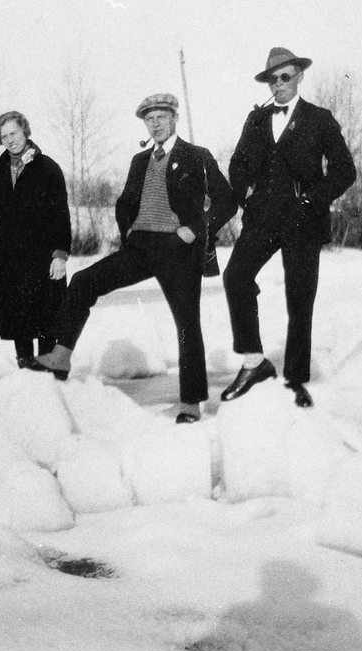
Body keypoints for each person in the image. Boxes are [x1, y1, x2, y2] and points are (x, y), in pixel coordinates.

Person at [26, 93, 236, 424]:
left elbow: (226, 201)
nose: (155, 125)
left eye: (161, 118)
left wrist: (194, 229)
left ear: (174, 119)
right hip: (140, 248)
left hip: (178, 250)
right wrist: (129, 234)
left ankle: (191, 402)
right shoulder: (140, 161)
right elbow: (125, 202)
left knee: (186, 323)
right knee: (84, 281)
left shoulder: (196, 156)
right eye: (149, 120)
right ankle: (61, 356)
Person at [219, 47, 357, 408]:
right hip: (262, 216)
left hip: (302, 220)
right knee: (236, 276)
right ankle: (253, 363)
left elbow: (345, 171)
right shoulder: (256, 120)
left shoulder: (320, 119)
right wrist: (245, 196)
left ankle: (296, 379)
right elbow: (237, 164)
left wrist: (313, 200)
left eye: (286, 76)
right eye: (272, 78)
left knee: (299, 298)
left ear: (299, 77)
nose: (278, 83)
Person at [0, 111, 72, 364]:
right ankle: (25, 379)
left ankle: (47, 381)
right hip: (11, 261)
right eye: (4, 136)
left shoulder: (48, 168)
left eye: (13, 133)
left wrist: (60, 255)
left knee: (46, 324)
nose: (9, 140)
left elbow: (60, 216)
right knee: (20, 326)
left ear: (25, 132)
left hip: (43, 260)